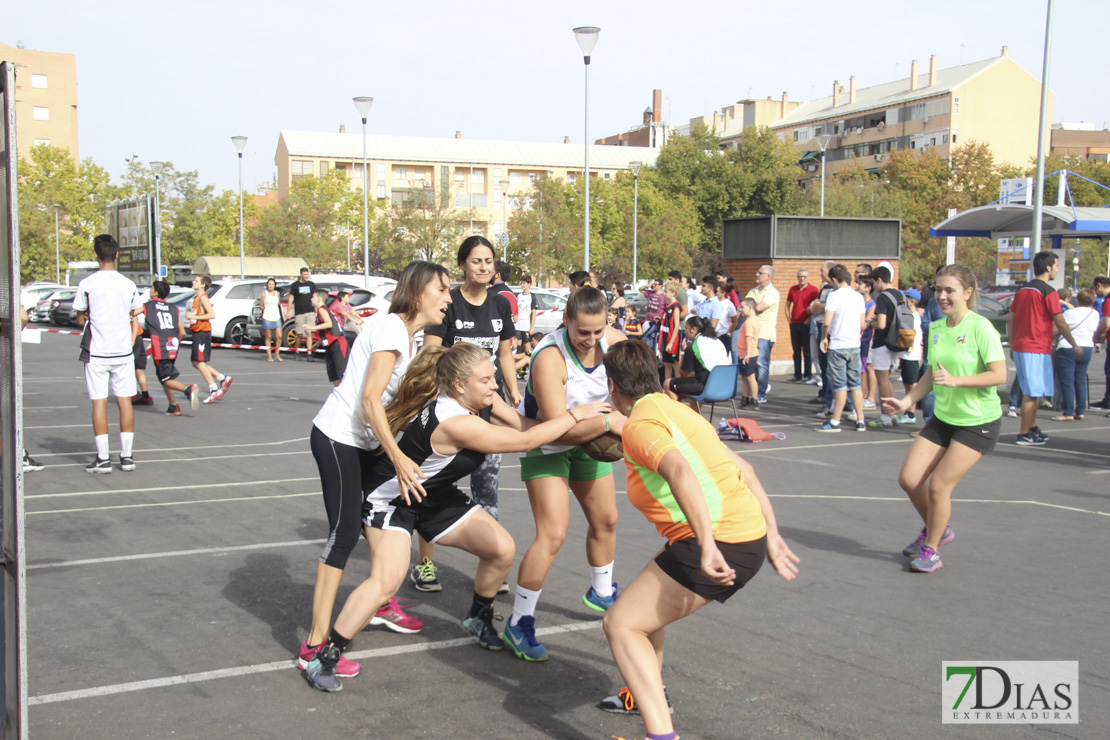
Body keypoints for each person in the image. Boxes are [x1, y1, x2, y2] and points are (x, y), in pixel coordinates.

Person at [300, 343, 613, 691]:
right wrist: (579, 416)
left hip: (434, 497)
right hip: (392, 501)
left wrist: (589, 427)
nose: (495, 385)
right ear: (460, 386)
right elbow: (523, 442)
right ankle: (325, 656)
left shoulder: (481, 401)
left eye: (493, 376)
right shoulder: (454, 422)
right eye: (487, 379)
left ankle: (478, 617)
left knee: (501, 550)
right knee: (387, 579)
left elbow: (527, 425)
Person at [595, 339, 799, 739]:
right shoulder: (679, 411)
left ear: (613, 385)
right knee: (642, 613)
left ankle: (661, 734)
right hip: (746, 534)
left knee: (620, 625)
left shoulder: (640, 424)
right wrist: (772, 535)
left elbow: (680, 472)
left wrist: (707, 545)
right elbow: (745, 470)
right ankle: (646, 693)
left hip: (720, 540)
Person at [298, 260, 452, 683]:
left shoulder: (407, 335)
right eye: (443, 289)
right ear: (419, 291)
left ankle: (380, 599)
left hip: (363, 442)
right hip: (338, 437)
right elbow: (369, 400)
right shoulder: (389, 330)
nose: (449, 298)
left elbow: (390, 405)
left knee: (376, 522)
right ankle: (313, 643)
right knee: (345, 533)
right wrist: (398, 458)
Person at [510, 286, 628, 662]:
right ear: (566, 321)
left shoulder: (616, 343)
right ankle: (519, 621)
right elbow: (558, 427)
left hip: (588, 441)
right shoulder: (549, 357)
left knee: (607, 520)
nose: (590, 340)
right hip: (547, 443)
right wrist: (611, 421)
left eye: (597, 331)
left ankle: (602, 592)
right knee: (553, 534)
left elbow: (637, 395)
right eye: (582, 332)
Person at [882, 265, 1007, 573]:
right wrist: (906, 401)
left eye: (949, 290)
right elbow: (930, 373)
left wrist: (958, 381)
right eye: (938, 289)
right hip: (944, 418)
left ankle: (932, 549)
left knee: (938, 486)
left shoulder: (981, 328)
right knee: (909, 479)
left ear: (968, 292)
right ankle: (937, 528)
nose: (942, 296)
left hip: (978, 421)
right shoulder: (936, 327)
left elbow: (999, 375)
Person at [419, 236, 520, 591]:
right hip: (451, 410)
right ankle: (425, 564)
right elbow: (431, 355)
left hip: (486, 407)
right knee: (434, 487)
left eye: (489, 261)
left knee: (487, 488)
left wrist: (513, 389)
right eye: (476, 261)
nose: (483, 267)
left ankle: (492, 561)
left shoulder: (500, 305)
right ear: (463, 264)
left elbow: (505, 354)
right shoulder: (450, 305)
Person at [73, 234, 144, 473]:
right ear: (116, 255)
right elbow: (136, 313)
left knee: (99, 403)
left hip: (96, 352)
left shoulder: (87, 284)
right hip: (123, 351)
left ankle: (103, 458)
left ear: (96, 255)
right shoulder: (128, 284)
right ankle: (127, 457)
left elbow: (80, 316)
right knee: (125, 401)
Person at [1008, 252, 1082, 445]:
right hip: (1035, 348)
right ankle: (1024, 433)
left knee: (1035, 391)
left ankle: (1031, 427)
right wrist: (1074, 343)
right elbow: (1060, 321)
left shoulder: (1023, 290)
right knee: (1032, 393)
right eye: (1056, 266)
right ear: (1048, 267)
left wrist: (1013, 342)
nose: (1057, 269)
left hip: (1023, 346)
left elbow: (1011, 318)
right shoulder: (1049, 292)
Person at [816, 265, 866, 433]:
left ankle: (835, 421)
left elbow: (827, 321)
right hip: (854, 345)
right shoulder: (858, 297)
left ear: (835, 280)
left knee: (840, 385)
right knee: (856, 384)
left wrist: (824, 337)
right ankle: (860, 419)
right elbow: (862, 323)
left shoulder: (834, 296)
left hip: (838, 344)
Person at [142, 281, 199, 416]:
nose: (150, 291)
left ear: (155, 292)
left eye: (151, 288)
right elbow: (182, 332)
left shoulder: (148, 306)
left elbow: (132, 313)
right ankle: (173, 406)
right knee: (164, 375)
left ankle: (187, 390)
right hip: (172, 344)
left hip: (160, 345)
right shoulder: (173, 308)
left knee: (165, 378)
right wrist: (175, 343)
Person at [1052, 288, 1099, 421]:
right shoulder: (1094, 314)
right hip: (1087, 347)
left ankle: (1067, 412)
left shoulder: (1069, 313)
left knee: (1067, 381)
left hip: (1068, 348)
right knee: (1080, 380)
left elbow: (1057, 329)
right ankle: (1080, 411)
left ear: (1077, 300)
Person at [867, 266, 904, 428]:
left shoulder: (883, 297)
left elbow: (881, 324)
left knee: (882, 380)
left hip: (883, 342)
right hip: (897, 340)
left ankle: (885, 416)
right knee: (887, 380)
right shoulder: (900, 294)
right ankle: (893, 414)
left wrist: (870, 323)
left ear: (879, 280)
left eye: (874, 283)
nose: (874, 287)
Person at [186, 275, 232, 404]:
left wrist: (195, 316)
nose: (193, 282)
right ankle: (222, 378)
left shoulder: (203, 297)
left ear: (202, 285)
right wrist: (191, 317)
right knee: (195, 362)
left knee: (200, 362)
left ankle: (213, 388)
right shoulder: (196, 298)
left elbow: (211, 314)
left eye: (196, 281)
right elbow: (198, 314)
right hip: (196, 331)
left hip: (202, 332)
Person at [665, 316, 727, 411]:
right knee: (692, 382)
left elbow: (684, 374)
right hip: (725, 387)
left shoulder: (694, 346)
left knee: (667, 383)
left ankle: (679, 415)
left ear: (693, 329)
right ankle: (696, 415)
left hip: (707, 387)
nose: (685, 331)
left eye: (686, 328)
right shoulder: (717, 341)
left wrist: (683, 353)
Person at [747, 265, 780, 403]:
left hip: (765, 333)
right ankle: (752, 393)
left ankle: (761, 393)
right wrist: (750, 308)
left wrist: (751, 307)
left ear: (768, 276)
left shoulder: (772, 292)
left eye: (760, 273)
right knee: (752, 363)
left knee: (761, 363)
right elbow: (744, 307)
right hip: (751, 332)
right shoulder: (753, 291)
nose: (757, 274)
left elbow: (759, 307)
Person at [807, 261, 837, 406]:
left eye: (822, 270)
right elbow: (813, 307)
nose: (819, 273)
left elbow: (823, 308)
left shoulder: (835, 289)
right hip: (819, 326)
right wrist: (817, 306)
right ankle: (824, 394)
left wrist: (818, 306)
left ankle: (830, 400)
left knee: (830, 367)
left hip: (829, 329)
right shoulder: (824, 288)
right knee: (823, 365)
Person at [310, 290, 349, 387]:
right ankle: (340, 396)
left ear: (319, 299)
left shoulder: (322, 309)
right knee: (333, 375)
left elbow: (329, 323)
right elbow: (328, 330)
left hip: (338, 344)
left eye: (313, 297)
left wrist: (313, 327)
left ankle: (348, 397)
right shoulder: (320, 311)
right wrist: (318, 343)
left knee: (341, 374)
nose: (311, 299)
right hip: (330, 344)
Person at [785, 269, 818, 383]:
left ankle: (808, 375)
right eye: (800, 276)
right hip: (794, 324)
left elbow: (816, 307)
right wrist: (789, 320)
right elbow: (787, 305)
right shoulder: (793, 289)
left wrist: (809, 319)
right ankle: (797, 375)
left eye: (804, 276)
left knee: (807, 351)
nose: (802, 278)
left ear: (808, 278)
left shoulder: (813, 290)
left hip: (806, 324)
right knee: (796, 350)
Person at [897, 288, 924, 423]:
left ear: (912, 301)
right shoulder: (909, 315)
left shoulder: (914, 317)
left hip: (911, 355)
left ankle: (911, 414)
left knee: (912, 385)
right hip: (905, 355)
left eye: (906, 299)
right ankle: (907, 411)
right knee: (907, 384)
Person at [857, 275, 878, 411]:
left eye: (860, 284)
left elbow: (865, 324)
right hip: (857, 341)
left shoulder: (872, 304)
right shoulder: (857, 302)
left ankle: (866, 398)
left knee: (864, 370)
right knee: (860, 370)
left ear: (868, 288)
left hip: (866, 341)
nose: (857, 286)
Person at [287, 267, 318, 359]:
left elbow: (315, 297)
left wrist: (316, 311)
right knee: (299, 334)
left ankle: (309, 353)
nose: (306, 276)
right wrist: (288, 311)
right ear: (301, 274)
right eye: (304, 274)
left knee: (309, 333)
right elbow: (291, 298)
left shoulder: (312, 285)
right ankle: (297, 351)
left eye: (307, 274)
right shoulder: (295, 285)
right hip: (299, 312)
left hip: (310, 312)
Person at [1090, 277, 1110, 410]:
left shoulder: (1108, 300)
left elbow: (1106, 323)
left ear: (1099, 285)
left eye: (1094, 289)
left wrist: (1096, 336)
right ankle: (1107, 399)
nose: (1095, 293)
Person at [737, 298, 760, 408]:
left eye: (743, 307)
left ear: (750, 308)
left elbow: (749, 338)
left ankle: (754, 400)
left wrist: (747, 354)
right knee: (745, 377)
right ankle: (745, 398)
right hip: (744, 353)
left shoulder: (749, 322)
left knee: (750, 377)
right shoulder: (752, 320)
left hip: (748, 354)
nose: (740, 309)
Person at [657, 284, 682, 385]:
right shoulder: (668, 306)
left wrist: (671, 342)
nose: (664, 293)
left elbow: (677, 325)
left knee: (675, 364)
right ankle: (666, 386)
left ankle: (678, 385)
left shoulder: (676, 307)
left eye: (666, 291)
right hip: (665, 337)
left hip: (672, 339)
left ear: (673, 293)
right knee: (666, 363)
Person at [260, 278, 284, 361]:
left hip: (276, 317)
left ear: (274, 285)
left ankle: (277, 354)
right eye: (269, 284)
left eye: (272, 284)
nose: (270, 286)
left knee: (279, 336)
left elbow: (278, 304)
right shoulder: (264, 294)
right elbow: (261, 306)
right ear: (267, 285)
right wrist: (266, 309)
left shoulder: (277, 293)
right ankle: (269, 355)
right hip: (267, 317)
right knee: (268, 337)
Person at [130, 333, 155, 406]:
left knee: (128, 367)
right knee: (138, 368)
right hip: (138, 336)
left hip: (129, 336)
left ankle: (132, 393)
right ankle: (145, 395)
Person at [642, 279, 667, 348]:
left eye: (656, 284)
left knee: (651, 340)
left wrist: (661, 318)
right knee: (645, 338)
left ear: (660, 286)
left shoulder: (664, 296)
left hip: (656, 322)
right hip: (648, 320)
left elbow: (666, 309)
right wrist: (648, 285)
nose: (654, 285)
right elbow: (640, 289)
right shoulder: (650, 293)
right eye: (653, 284)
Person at [515, 274, 536, 352]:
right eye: (521, 283)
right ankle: (518, 358)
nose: (522, 285)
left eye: (524, 283)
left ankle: (528, 359)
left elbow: (534, 313)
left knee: (527, 344)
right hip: (518, 325)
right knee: (518, 343)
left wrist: (532, 327)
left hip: (526, 325)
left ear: (529, 284)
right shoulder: (518, 296)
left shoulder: (532, 296)